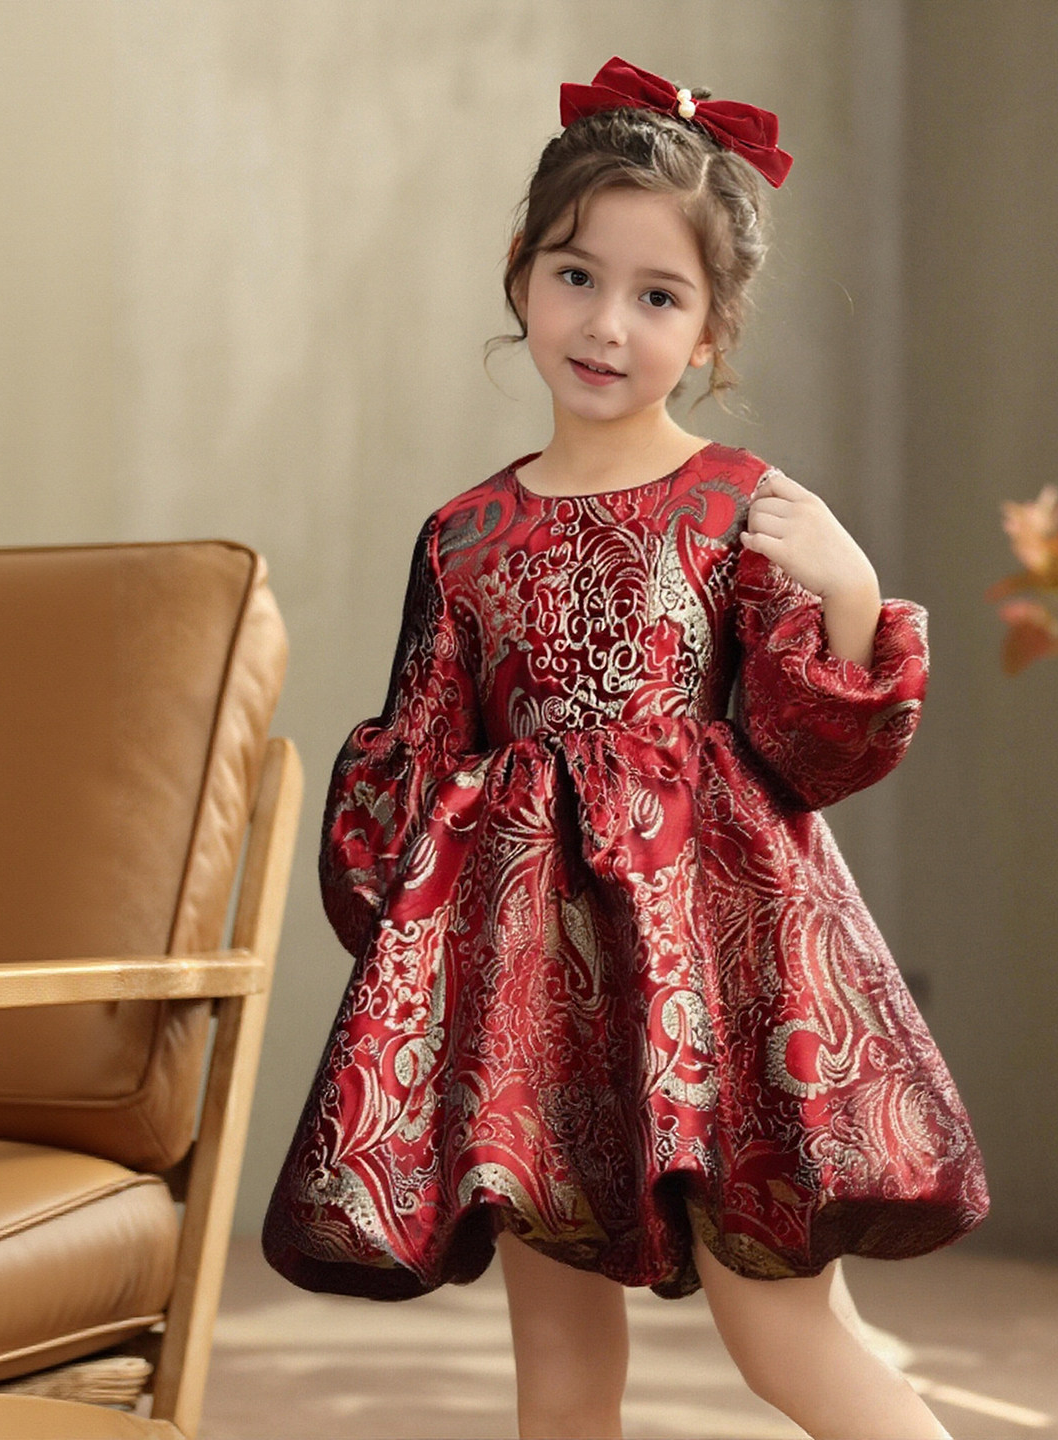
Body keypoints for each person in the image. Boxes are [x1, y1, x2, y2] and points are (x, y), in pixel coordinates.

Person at [263, 55, 988, 1440]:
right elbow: (412, 760)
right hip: (539, 1001)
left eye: (659, 297)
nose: (607, 324)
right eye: (576, 276)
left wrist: (849, 588)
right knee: (559, 1365)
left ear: (712, 334)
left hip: (721, 984)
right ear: (521, 275)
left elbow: (814, 752)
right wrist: (435, 916)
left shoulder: (739, 509)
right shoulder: (462, 540)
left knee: (787, 1343)